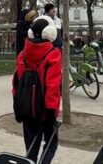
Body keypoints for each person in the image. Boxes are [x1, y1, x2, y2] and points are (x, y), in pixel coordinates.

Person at [12, 16, 61, 164]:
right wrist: (52, 112)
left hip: (26, 109)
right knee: (51, 143)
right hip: (45, 110)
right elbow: (52, 86)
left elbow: (16, 83)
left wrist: (18, 105)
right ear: (50, 33)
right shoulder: (53, 54)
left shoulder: (23, 54)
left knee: (31, 148)